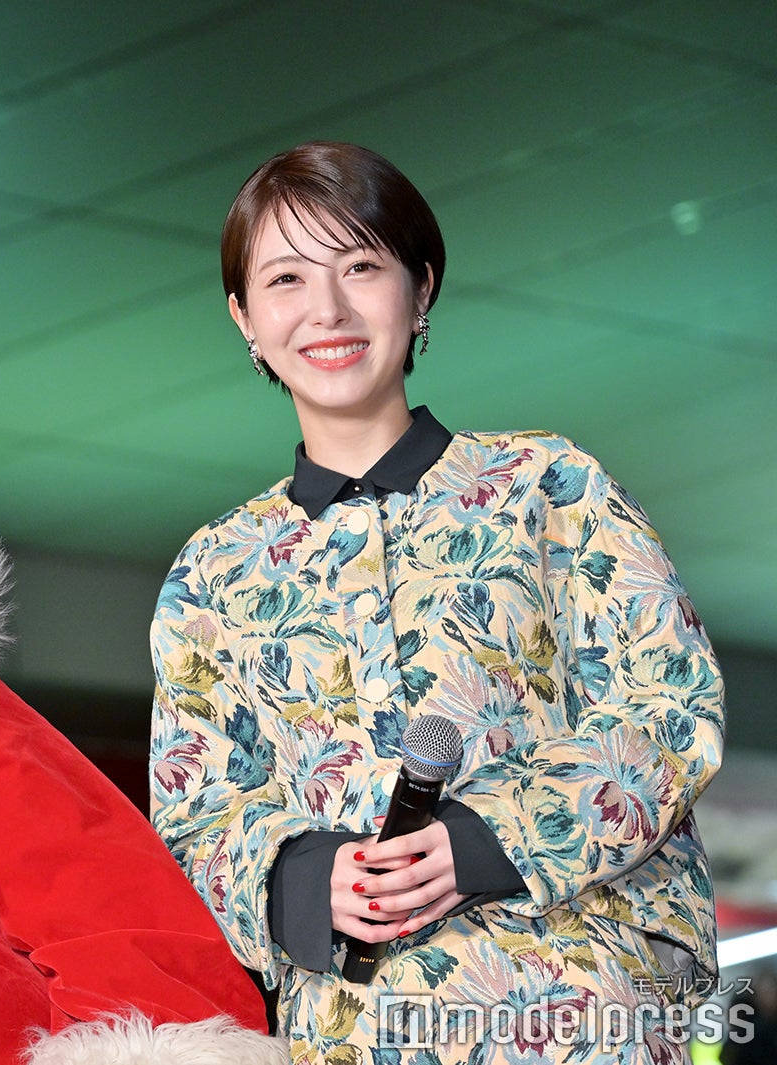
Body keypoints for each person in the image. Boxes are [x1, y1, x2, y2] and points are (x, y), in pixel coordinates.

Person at [149, 141, 724, 1063]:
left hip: (575, 1017)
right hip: (353, 1034)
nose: (327, 310)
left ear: (420, 290)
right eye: (287, 279)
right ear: (244, 318)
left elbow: (669, 707)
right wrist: (303, 880)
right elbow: (191, 822)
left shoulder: (548, 485)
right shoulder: (214, 573)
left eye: (361, 267)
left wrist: (487, 838)